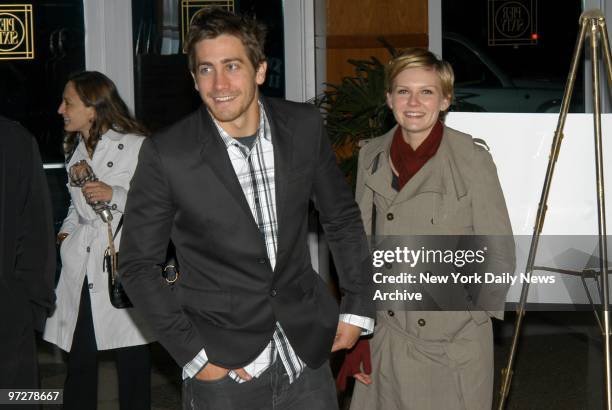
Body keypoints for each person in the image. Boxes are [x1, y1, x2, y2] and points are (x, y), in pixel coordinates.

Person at [119, 8, 375, 410]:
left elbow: (340, 217)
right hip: (223, 370)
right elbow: (136, 264)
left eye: (232, 66)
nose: (219, 83)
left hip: (305, 354)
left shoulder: (303, 126)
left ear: (259, 70)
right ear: (193, 78)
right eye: (206, 69)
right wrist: (195, 355)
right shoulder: (168, 153)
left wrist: (357, 306)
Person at [339, 48, 515, 409]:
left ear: (446, 99)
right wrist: (359, 333)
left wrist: (456, 320)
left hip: (450, 346)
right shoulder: (370, 155)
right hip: (386, 340)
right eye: (403, 91)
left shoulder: (472, 159)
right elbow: (360, 252)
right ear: (389, 99)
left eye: (427, 92)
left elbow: (498, 254)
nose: (414, 102)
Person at [42, 71, 155, 410]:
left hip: (122, 267)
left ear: (92, 108)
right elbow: (77, 210)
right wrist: (65, 231)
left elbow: (160, 204)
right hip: (82, 268)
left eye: (69, 102)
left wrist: (115, 193)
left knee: (133, 360)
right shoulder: (74, 152)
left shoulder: (136, 145)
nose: (61, 109)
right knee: (79, 360)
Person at [0, 116, 56, 410]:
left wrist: (32, 307)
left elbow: (35, 230)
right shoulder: (16, 138)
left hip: (9, 315)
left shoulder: (14, 140)